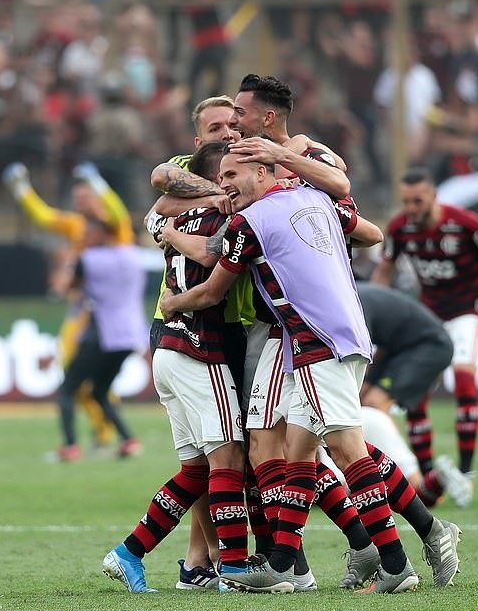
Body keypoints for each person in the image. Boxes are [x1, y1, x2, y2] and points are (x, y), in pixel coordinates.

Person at [161, 150, 458, 594]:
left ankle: (395, 563)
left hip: (318, 339)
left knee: (346, 451)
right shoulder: (313, 195)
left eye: (232, 174)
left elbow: (209, 286)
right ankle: (284, 562)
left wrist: (172, 302)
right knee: (299, 452)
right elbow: (365, 227)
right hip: (324, 337)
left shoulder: (253, 219)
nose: (225, 183)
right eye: (220, 175)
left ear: (264, 168)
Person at [102, 146, 249, 593]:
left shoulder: (177, 217)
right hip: (199, 349)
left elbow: (161, 211)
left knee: (197, 471)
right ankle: (238, 571)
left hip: (168, 348)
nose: (231, 182)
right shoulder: (220, 218)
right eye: (227, 174)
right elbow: (211, 257)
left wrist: (167, 228)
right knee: (228, 458)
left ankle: (129, 552)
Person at [371, 166, 478, 508]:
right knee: (414, 397)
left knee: (464, 383)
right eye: (406, 202)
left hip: (467, 312)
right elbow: (384, 270)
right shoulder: (400, 228)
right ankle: (428, 474)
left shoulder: (466, 223)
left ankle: (466, 472)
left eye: (418, 201)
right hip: (428, 316)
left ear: (434, 196)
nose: (411, 208)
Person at [3, 162, 136, 458]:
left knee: (86, 378)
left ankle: (102, 434)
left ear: (97, 198)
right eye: (77, 198)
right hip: (82, 310)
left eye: (86, 196)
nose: (79, 202)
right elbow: (44, 216)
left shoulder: (114, 229)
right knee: (75, 372)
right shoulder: (77, 226)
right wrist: (21, 189)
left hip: (106, 315)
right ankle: (107, 434)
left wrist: (98, 182)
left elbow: (118, 213)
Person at [355, 280, 471, 508]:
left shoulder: (351, 304)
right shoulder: (353, 292)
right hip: (400, 348)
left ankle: (405, 478)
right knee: (362, 401)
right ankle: (396, 476)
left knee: (374, 405)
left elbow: (358, 355)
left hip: (428, 346)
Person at [55, 217, 147, 462]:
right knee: (100, 391)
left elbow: (64, 289)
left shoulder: (88, 259)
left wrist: (68, 263)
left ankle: (70, 446)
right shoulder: (131, 255)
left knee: (66, 389)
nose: (84, 237)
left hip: (101, 334)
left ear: (101, 234)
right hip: (130, 336)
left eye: (88, 233)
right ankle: (129, 440)